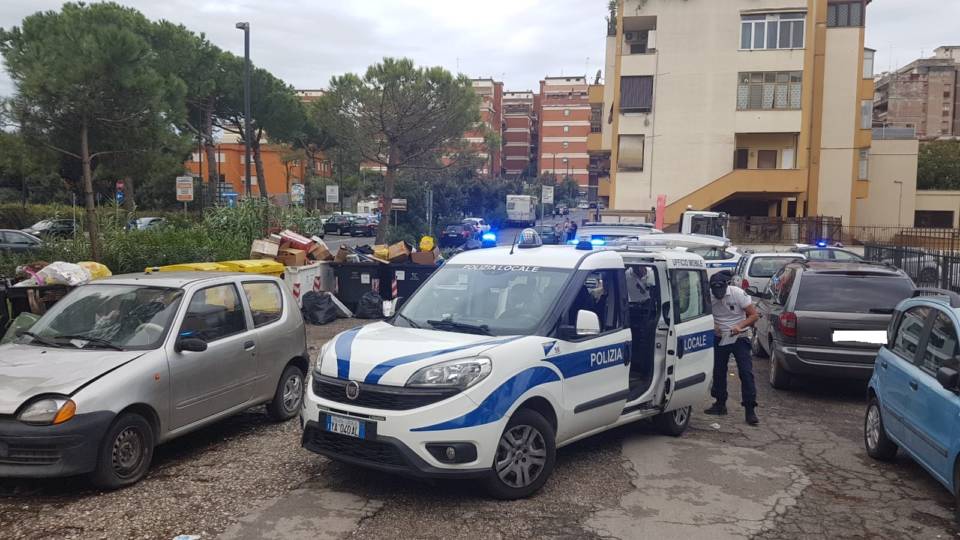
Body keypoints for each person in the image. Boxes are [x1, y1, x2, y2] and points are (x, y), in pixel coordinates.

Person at [705, 270, 760, 425]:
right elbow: (704, 315)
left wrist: (739, 326)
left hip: (739, 337)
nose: (719, 294)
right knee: (718, 371)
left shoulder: (738, 294)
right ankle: (720, 403)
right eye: (715, 291)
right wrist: (713, 325)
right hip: (720, 337)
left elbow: (754, 315)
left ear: (726, 286)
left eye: (721, 291)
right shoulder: (708, 296)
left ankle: (750, 408)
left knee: (745, 372)